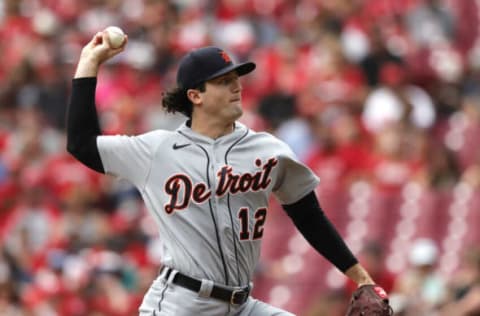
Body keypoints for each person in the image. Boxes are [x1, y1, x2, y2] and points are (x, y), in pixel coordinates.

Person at [66, 30, 384, 316]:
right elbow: (82, 144)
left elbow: (309, 216)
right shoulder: (157, 151)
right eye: (223, 81)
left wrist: (361, 278)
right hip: (181, 304)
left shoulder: (267, 150)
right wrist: (89, 61)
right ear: (195, 95)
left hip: (242, 305)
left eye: (236, 78)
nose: (236, 86)